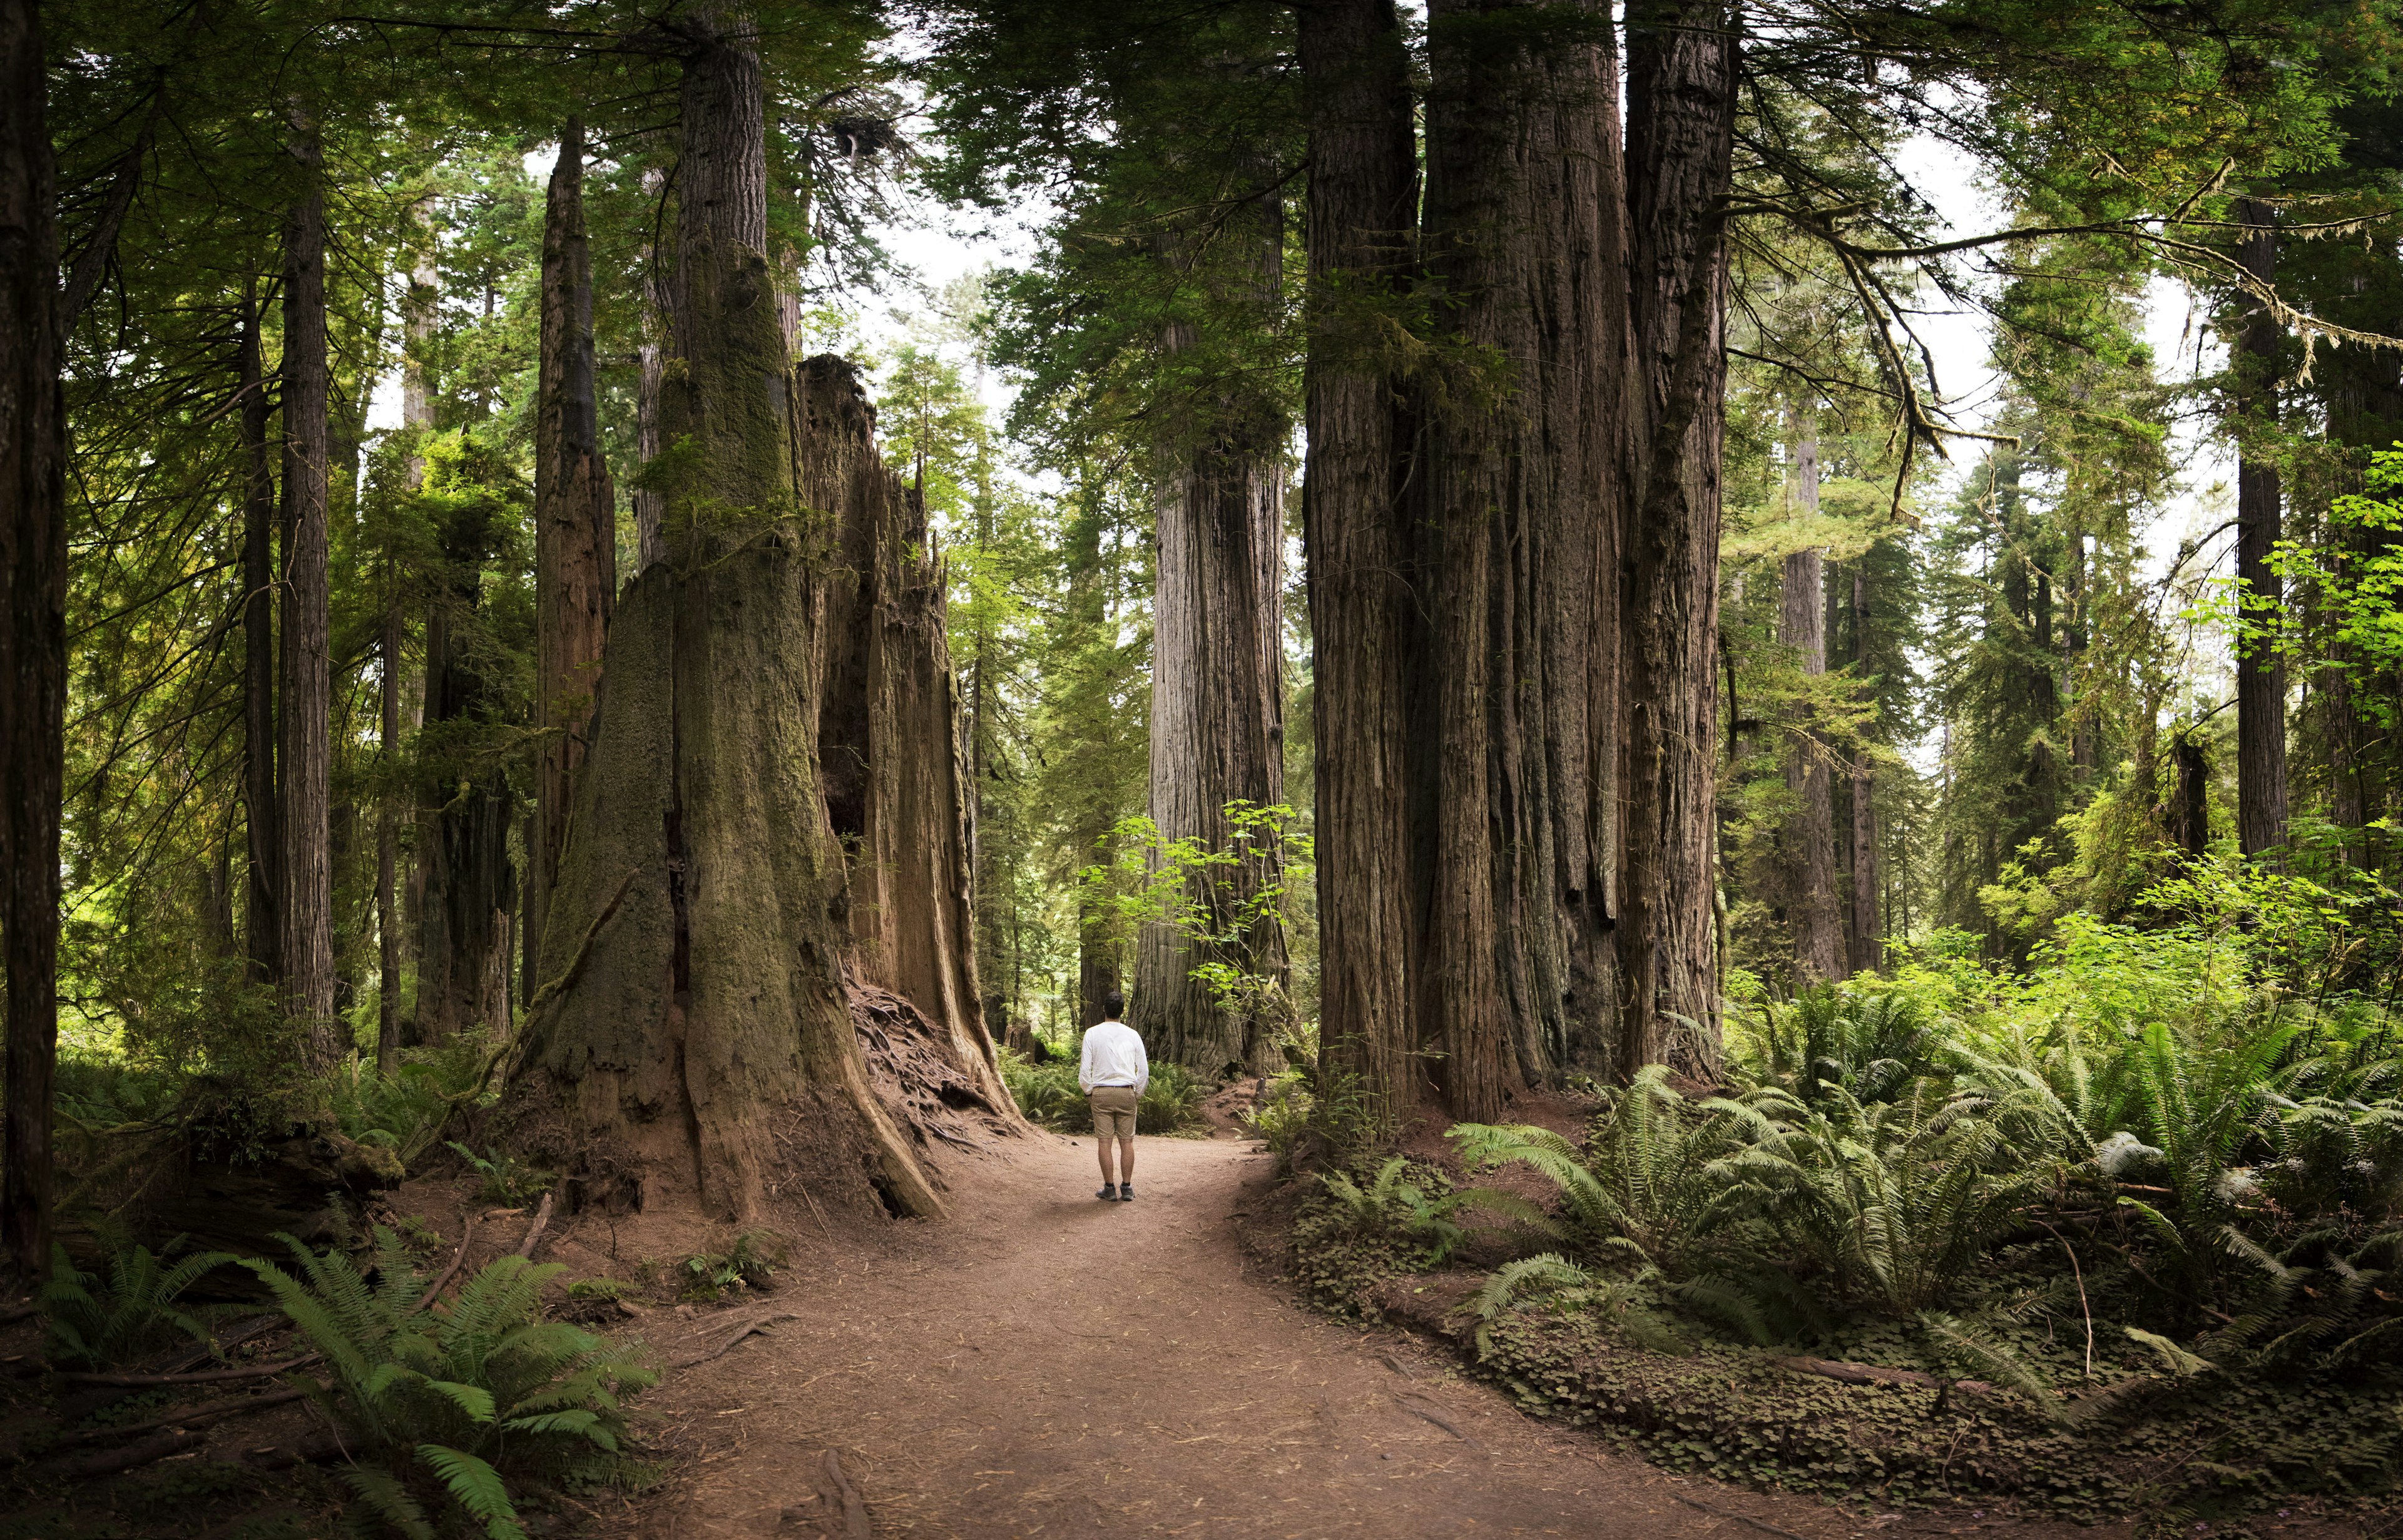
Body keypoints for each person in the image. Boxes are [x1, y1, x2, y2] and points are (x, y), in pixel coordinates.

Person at [1078, 991, 1148, 1201]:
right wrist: (1137, 1094)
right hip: (1127, 1091)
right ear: (1122, 1011)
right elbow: (1143, 1071)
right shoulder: (1133, 1035)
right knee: (1127, 1143)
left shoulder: (1092, 1033)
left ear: (1104, 1009)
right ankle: (1126, 1188)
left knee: (1104, 1142)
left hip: (1101, 1093)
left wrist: (1089, 1092)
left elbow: (1084, 1071)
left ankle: (1109, 1189)